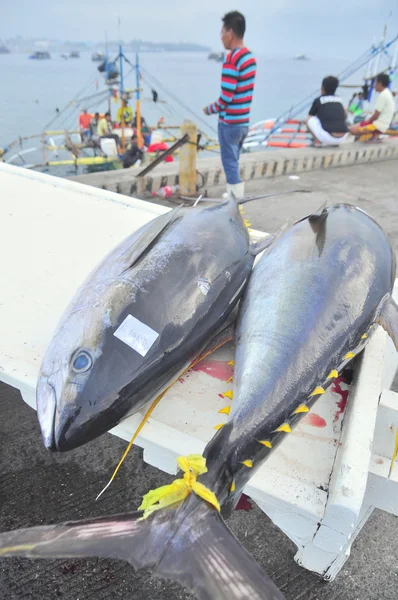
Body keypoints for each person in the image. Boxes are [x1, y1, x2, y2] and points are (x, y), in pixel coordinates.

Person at [203, 11, 256, 199]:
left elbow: (226, 98)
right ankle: (234, 195)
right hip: (243, 122)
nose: (221, 38)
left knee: (229, 162)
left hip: (230, 123)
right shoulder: (249, 57)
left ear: (230, 33)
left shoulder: (232, 59)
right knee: (234, 159)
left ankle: (235, 200)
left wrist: (209, 109)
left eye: (222, 33)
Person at [349, 73, 395, 139]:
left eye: (375, 83)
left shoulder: (383, 95)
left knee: (352, 129)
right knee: (357, 127)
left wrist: (368, 121)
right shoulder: (388, 93)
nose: (374, 85)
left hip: (378, 125)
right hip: (384, 124)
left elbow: (376, 114)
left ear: (379, 83)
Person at [306, 76, 348, 146]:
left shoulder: (318, 100)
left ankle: (317, 142)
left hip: (328, 137)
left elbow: (310, 116)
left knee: (309, 119)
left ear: (322, 88)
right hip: (343, 137)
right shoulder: (339, 99)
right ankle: (333, 142)